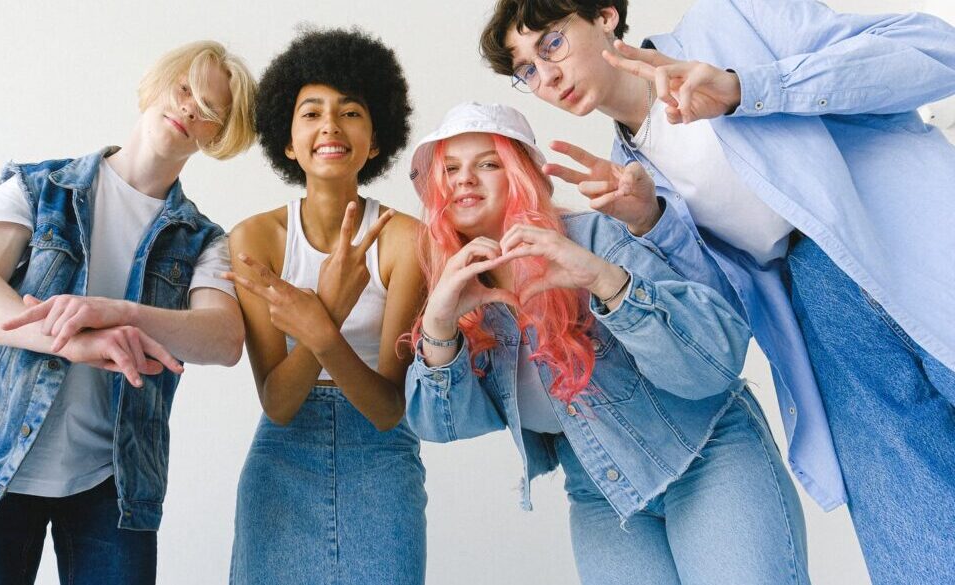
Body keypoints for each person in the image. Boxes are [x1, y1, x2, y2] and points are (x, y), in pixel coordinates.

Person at [479, 1, 955, 582]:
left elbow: (936, 52)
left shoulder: (730, 24)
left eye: (550, 43)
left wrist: (744, 88)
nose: (545, 76)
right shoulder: (624, 176)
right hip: (822, 317)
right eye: (526, 69)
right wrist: (648, 219)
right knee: (918, 537)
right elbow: (719, 323)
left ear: (604, 16)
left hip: (913, 243)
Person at [405, 101, 808, 585]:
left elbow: (711, 363)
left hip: (707, 454)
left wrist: (602, 278)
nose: (464, 180)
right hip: (602, 492)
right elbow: (441, 425)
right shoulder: (456, 288)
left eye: (487, 163)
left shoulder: (592, 237)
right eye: (450, 169)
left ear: (520, 176)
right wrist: (440, 321)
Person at [0, 41, 256, 585]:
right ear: (156, 85)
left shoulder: (204, 240)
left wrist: (116, 313)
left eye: (210, 110)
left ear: (217, 137)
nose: (190, 110)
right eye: (184, 90)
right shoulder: (37, 187)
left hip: (114, 491)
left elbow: (223, 340)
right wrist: (75, 341)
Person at [223, 27, 427, 585]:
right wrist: (329, 313)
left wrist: (321, 326)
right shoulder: (255, 240)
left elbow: (389, 409)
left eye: (352, 112)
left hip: (380, 460)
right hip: (282, 457)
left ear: (376, 138)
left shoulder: (407, 239)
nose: (331, 127)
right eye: (311, 113)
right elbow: (279, 404)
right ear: (288, 141)